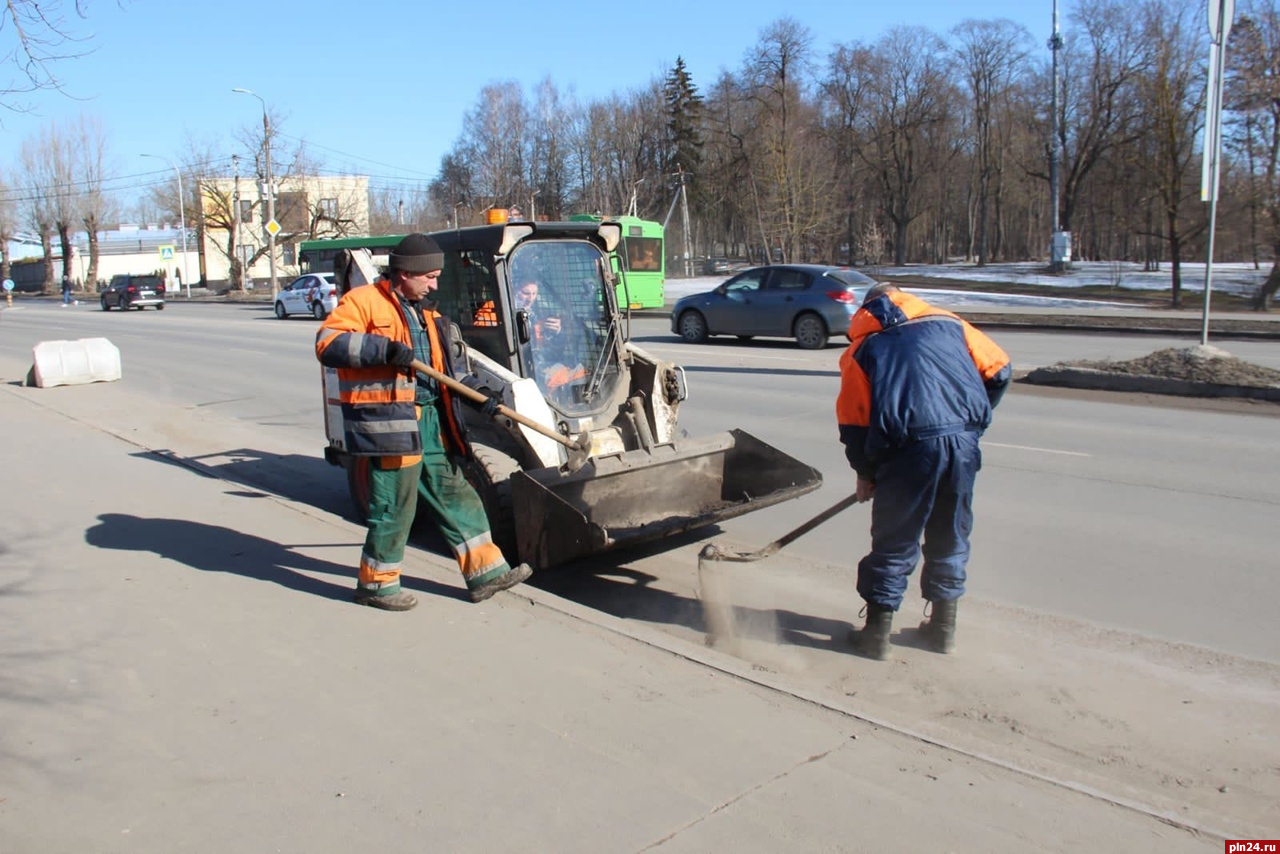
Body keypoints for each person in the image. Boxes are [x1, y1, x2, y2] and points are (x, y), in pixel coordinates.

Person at [315, 233, 532, 611]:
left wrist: (483, 397)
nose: (434, 284)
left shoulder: (428, 315)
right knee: (395, 506)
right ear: (405, 274)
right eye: (429, 276)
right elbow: (328, 344)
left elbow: (446, 371)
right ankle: (376, 585)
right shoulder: (364, 302)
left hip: (431, 419)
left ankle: (486, 571)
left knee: (456, 493)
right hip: (391, 425)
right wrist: (379, 348)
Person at [836, 283, 1011, 660]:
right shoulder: (952, 325)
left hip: (907, 454)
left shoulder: (861, 350)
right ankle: (943, 632)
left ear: (866, 311)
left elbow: (854, 425)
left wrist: (866, 473)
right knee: (950, 535)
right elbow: (999, 371)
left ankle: (876, 638)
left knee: (895, 544)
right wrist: (969, 420)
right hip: (962, 447)